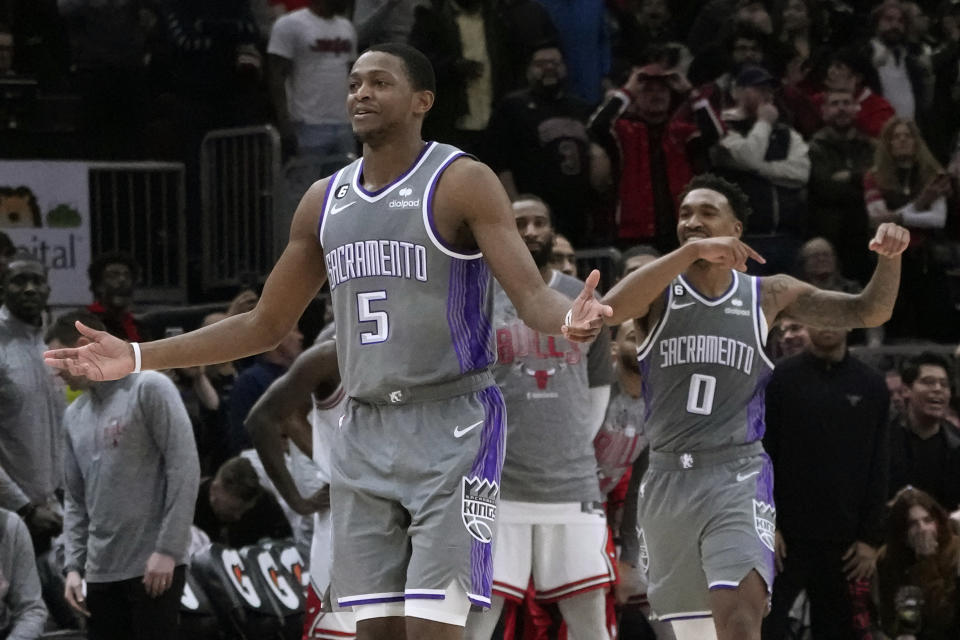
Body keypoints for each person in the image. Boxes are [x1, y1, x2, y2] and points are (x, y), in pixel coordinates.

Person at [44, 43, 609, 640]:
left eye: (379, 83)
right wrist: (136, 355)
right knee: (373, 632)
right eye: (353, 83)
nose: (360, 93)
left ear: (422, 101)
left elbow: (530, 296)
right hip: (362, 431)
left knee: (435, 629)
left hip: (452, 425)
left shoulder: (461, 181)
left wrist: (566, 319)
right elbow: (262, 324)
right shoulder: (324, 199)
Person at [598, 172, 909, 639]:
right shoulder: (659, 290)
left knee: (741, 622)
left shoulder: (768, 294)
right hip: (667, 480)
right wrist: (687, 256)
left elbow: (869, 311)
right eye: (685, 214)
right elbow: (609, 309)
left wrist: (891, 258)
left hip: (737, 475)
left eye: (707, 213)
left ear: (736, 230)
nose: (693, 221)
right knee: (694, 634)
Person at [464, 196, 615, 640]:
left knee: (589, 621)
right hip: (495, 486)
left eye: (540, 222)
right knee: (479, 623)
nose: (530, 230)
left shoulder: (580, 295)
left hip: (571, 485)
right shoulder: (476, 294)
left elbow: (598, 387)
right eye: (519, 222)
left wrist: (569, 444)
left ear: (552, 231)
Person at [52, 310, 200, 640]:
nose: (57, 374)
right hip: (100, 571)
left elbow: (184, 468)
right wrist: (74, 566)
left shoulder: (150, 386)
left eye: (57, 358)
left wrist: (169, 550)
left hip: (154, 564)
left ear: (79, 346)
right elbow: (75, 500)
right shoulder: (73, 416)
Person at [762, 319, 890, 639]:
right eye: (819, 315)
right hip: (785, 540)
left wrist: (870, 539)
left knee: (838, 631)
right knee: (767, 627)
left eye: (837, 315)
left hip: (846, 544)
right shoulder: (778, 379)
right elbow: (762, 454)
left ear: (850, 324)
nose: (828, 323)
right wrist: (767, 523)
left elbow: (880, 463)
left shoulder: (871, 384)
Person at [246, 339, 356, 640]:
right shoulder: (329, 354)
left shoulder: (420, 344)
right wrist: (298, 501)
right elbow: (261, 419)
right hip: (347, 522)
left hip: (407, 517)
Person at [588, 63, 712, 253]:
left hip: (681, 231)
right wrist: (628, 91)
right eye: (647, 90)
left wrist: (690, 92)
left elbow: (714, 133)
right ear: (636, 98)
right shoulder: (624, 132)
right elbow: (596, 127)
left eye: (663, 90)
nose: (657, 95)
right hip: (633, 234)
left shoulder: (681, 133)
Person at [484, 43, 595, 241]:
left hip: (578, 212)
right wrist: (514, 207)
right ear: (528, 70)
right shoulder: (512, 107)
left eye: (555, 63)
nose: (549, 68)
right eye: (541, 64)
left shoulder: (581, 108)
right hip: (533, 213)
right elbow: (499, 162)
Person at [711, 64, 810, 276]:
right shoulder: (724, 127)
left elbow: (801, 173)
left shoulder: (785, 133)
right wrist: (764, 122)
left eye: (769, 89)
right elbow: (749, 156)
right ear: (736, 92)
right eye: (757, 89)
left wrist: (758, 170)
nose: (766, 95)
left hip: (787, 238)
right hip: (746, 239)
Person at [863, 116, 955, 342]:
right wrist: (921, 203)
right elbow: (878, 220)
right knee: (898, 326)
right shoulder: (873, 177)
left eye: (908, 136)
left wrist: (899, 215)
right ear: (888, 143)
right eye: (896, 137)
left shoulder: (934, 174)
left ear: (916, 141)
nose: (902, 140)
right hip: (890, 261)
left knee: (936, 323)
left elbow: (937, 219)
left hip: (926, 259)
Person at [0, 257, 64, 551]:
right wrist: (23, 508)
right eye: (19, 281)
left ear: (49, 289)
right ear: (2, 288)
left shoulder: (52, 346)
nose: (29, 289)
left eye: (37, 281)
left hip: (55, 512)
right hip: (11, 514)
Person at [267, 0, 357, 159]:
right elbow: (276, 76)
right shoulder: (290, 24)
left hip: (343, 123)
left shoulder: (347, 27)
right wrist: (284, 122)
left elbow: (353, 75)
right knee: (307, 181)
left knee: (344, 182)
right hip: (307, 123)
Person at [807, 86, 877, 285]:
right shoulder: (814, 147)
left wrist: (850, 177)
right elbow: (824, 189)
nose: (841, 108)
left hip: (866, 236)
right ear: (824, 111)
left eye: (846, 103)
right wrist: (862, 182)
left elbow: (880, 182)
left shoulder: (870, 146)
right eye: (835, 104)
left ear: (856, 108)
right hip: (830, 235)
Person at [876, 487, 960, 639]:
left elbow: (943, 618)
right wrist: (903, 631)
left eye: (928, 520)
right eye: (913, 524)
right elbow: (889, 614)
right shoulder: (888, 558)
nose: (922, 529)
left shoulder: (955, 551)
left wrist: (926, 561)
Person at [888, 352, 960, 512]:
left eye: (944, 384)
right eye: (928, 382)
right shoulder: (882, 442)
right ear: (906, 390)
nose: (937, 389)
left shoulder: (956, 444)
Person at [226, 326, 304, 454]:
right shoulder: (250, 381)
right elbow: (244, 437)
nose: (300, 337)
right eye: (294, 330)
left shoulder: (301, 375)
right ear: (276, 338)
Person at [193, 455, 293, 548]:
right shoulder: (190, 504)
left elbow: (286, 544)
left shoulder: (265, 505)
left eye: (243, 510)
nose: (238, 516)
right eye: (233, 509)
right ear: (214, 490)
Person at [85, 251, 142, 341]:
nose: (122, 280)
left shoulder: (139, 327)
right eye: (113, 275)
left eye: (127, 275)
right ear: (99, 285)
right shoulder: (85, 323)